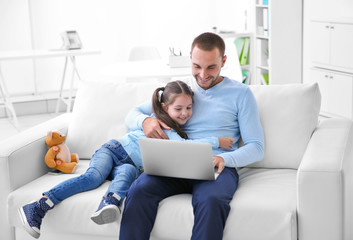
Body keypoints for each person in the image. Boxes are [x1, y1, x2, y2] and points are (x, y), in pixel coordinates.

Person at [19, 80, 235, 239]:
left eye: (189, 108)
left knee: (127, 178)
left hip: (130, 164)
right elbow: (185, 145)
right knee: (93, 177)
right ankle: (39, 206)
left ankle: (109, 202)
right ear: (164, 107)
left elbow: (184, 147)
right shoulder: (159, 123)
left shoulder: (176, 132)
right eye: (178, 108)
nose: (185, 113)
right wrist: (217, 140)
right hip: (114, 150)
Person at [119, 32, 265, 240]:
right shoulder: (181, 89)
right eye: (197, 66)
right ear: (190, 59)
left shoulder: (241, 94)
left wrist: (224, 158)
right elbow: (131, 114)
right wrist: (145, 121)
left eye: (211, 67)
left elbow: (256, 146)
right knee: (139, 190)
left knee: (212, 200)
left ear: (223, 61)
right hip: (173, 164)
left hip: (216, 166)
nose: (203, 75)